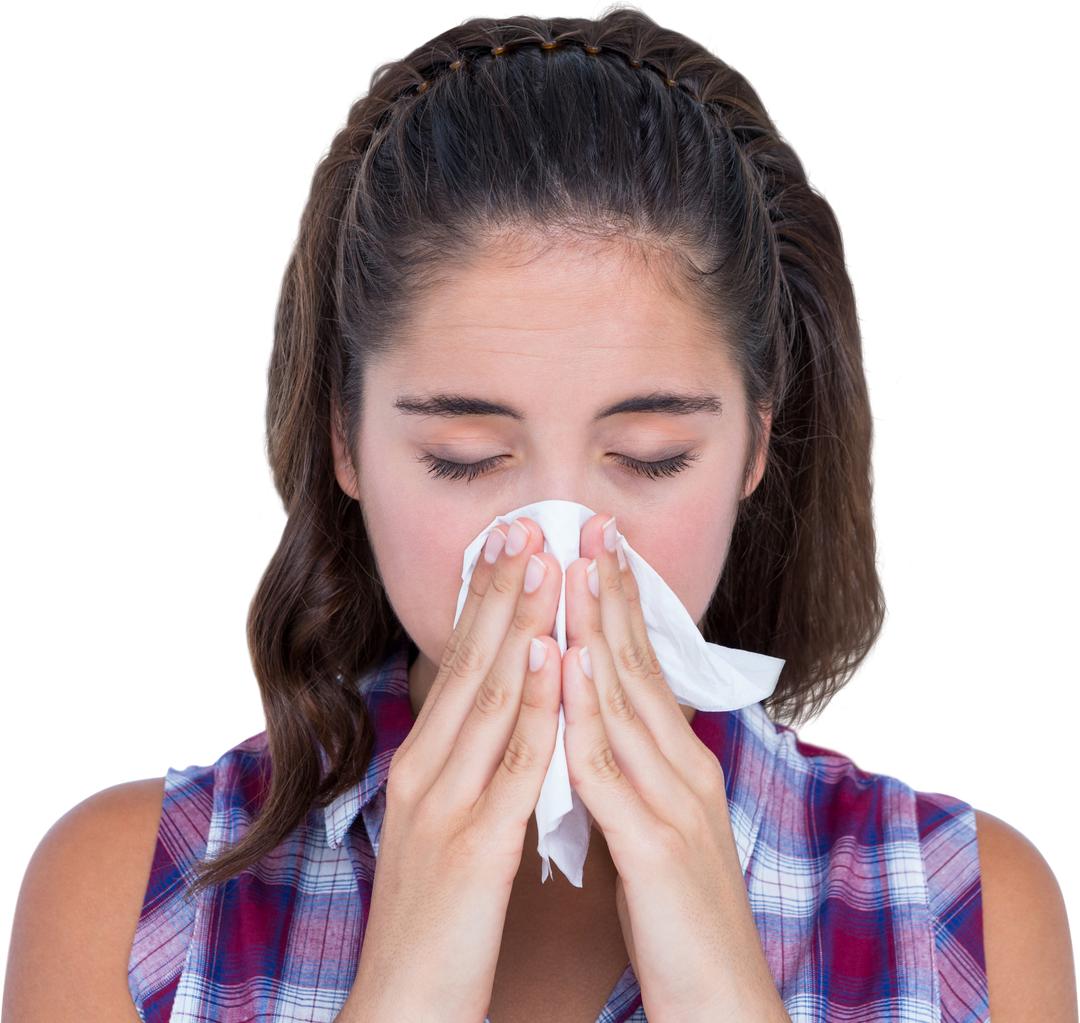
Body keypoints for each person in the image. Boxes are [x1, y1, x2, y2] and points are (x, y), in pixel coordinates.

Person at [5, 4, 1075, 1021]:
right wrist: (405, 992)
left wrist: (719, 989)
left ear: (755, 442)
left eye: (649, 459)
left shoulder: (960, 915)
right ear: (346, 442)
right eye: (465, 458)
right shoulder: (134, 902)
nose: (559, 550)